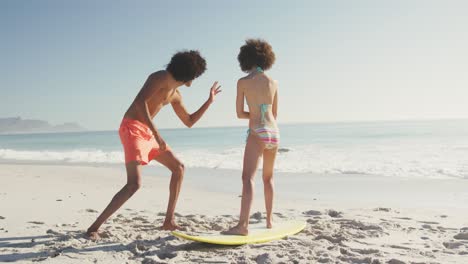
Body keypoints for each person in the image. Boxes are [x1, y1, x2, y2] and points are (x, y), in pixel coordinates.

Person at [86, 50, 221, 240]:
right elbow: (140, 102)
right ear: (189, 76)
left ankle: (168, 221)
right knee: (134, 184)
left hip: (148, 132)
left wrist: (210, 101)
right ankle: (94, 227)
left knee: (178, 168)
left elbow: (189, 121)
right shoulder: (160, 77)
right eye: (195, 77)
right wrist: (157, 135)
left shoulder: (176, 95)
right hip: (132, 127)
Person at [223, 39, 279, 236]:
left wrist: (253, 114)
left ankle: (243, 225)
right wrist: (261, 113)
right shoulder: (273, 82)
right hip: (274, 133)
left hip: (256, 131)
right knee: (268, 178)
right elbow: (274, 113)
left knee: (247, 178)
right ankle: (270, 221)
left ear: (246, 59)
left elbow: (239, 113)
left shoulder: (243, 82)